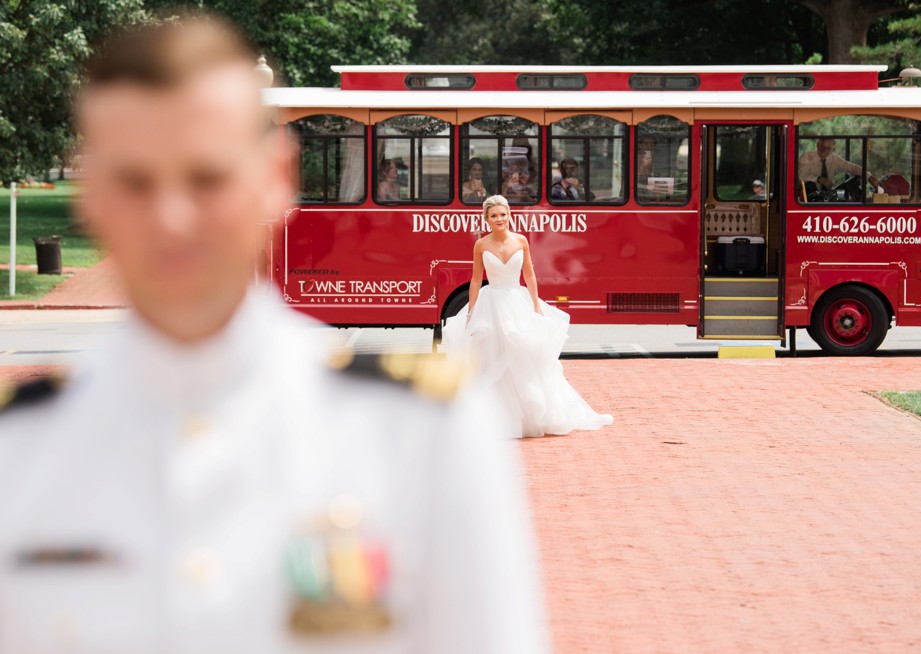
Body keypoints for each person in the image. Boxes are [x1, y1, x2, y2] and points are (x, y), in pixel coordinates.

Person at [0, 14, 550, 654]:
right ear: (90, 197)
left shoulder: (427, 434)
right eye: (136, 180)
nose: (172, 217)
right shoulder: (19, 454)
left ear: (275, 179)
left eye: (207, 176)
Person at [440, 195, 613, 438]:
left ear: (508, 215)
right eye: (494, 216)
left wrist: (535, 304)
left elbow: (529, 274)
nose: (499, 219)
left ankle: (532, 416)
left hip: (516, 301)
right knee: (490, 358)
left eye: (502, 214)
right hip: (491, 304)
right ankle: (493, 419)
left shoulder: (521, 241)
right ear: (486, 219)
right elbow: (476, 279)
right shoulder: (481, 245)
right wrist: (471, 309)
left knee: (523, 356)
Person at [798, 137, 879, 191]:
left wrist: (869, 176)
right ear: (817, 145)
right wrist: (820, 179)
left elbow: (852, 168)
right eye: (822, 147)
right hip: (807, 199)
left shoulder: (835, 159)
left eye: (828, 148)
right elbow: (801, 176)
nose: (824, 151)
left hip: (827, 196)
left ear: (833, 148)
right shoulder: (806, 157)